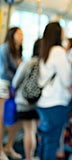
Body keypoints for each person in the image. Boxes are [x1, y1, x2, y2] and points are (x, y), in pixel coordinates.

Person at [36, 22, 71, 160]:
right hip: (56, 103)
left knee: (44, 140)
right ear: (58, 33)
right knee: (52, 142)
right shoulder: (58, 51)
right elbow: (66, 79)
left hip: (43, 102)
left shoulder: (45, 50)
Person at [12, 39, 41, 160]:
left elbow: (15, 81)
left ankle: (28, 157)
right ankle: (34, 155)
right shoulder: (44, 64)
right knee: (33, 129)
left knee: (28, 130)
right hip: (38, 102)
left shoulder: (28, 63)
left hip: (24, 100)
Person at [0, 27, 23, 160]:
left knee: (16, 117)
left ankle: (9, 146)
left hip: (14, 87)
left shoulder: (18, 51)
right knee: (2, 118)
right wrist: (16, 77)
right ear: (12, 34)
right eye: (19, 34)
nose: (21, 37)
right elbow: (3, 71)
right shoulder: (4, 49)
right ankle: (0, 149)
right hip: (4, 85)